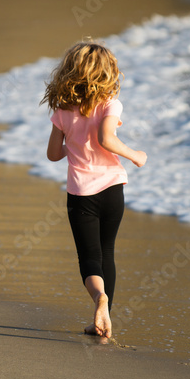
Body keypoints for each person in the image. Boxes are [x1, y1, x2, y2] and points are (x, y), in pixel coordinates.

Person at [41, 41, 147, 338]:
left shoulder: (62, 110)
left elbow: (53, 154)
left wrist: (74, 146)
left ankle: (99, 299)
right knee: (107, 251)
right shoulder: (111, 103)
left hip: (80, 194)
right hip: (112, 187)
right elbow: (106, 138)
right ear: (107, 72)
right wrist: (135, 155)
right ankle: (105, 316)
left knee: (89, 257)